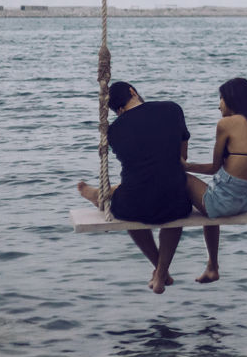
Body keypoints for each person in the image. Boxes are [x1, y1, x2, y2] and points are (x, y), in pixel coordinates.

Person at [77, 81, 193, 294]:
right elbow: (182, 158)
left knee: (129, 206)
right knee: (172, 207)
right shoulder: (172, 109)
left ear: (116, 110)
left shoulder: (113, 131)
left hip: (134, 204)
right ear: (133, 91)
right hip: (175, 200)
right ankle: (161, 272)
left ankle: (160, 270)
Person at [183, 77, 247, 284]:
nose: (219, 104)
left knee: (180, 179)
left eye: (220, 98)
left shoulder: (226, 124)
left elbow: (213, 168)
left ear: (231, 99)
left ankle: (208, 264)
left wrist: (186, 165)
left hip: (225, 202)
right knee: (209, 204)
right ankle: (212, 266)